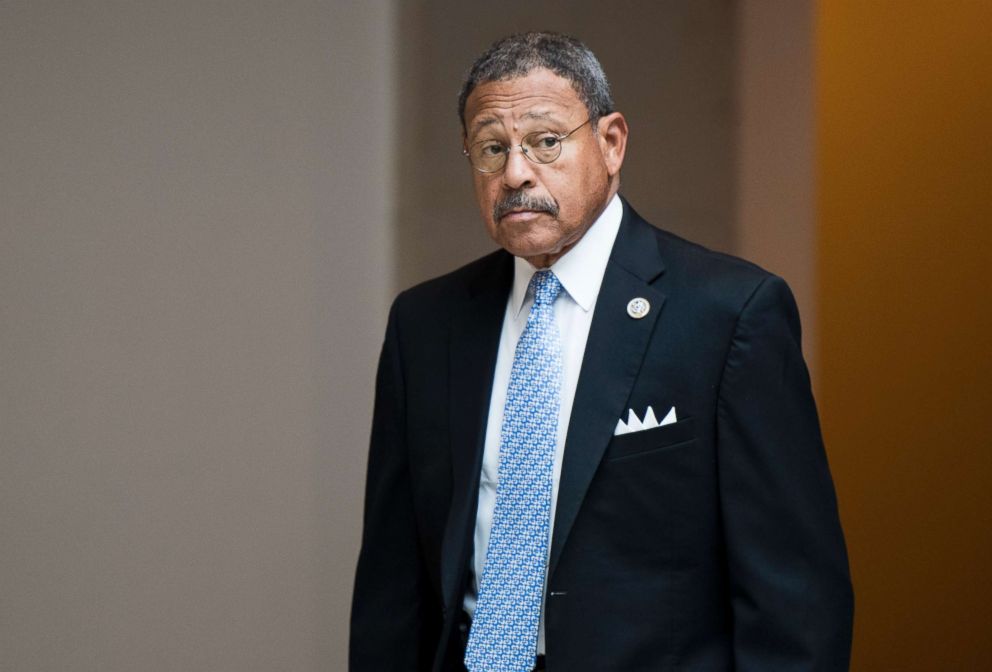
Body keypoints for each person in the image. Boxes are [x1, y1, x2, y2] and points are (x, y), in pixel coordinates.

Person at [350, 31, 853, 672]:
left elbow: (796, 596)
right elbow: (392, 587)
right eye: (491, 148)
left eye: (545, 142)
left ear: (611, 143)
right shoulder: (425, 325)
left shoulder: (729, 315)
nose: (515, 173)